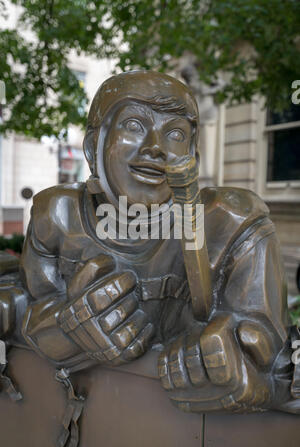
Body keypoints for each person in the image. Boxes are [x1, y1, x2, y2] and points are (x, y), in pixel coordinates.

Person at [0, 70, 299, 415]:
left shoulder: (231, 224)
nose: (155, 148)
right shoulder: (57, 216)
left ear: (192, 159)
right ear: (92, 146)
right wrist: (67, 330)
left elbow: (272, 351)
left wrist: (254, 376)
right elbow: (29, 309)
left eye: (174, 133)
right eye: (133, 126)